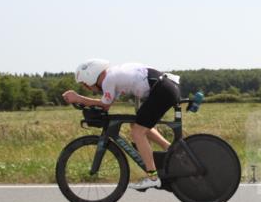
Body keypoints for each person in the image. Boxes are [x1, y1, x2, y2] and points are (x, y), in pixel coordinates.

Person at [61, 59, 180, 191]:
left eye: (84, 84)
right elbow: (106, 105)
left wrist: (78, 98)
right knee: (137, 125)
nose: (86, 88)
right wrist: (83, 100)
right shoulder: (113, 76)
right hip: (166, 87)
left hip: (162, 90)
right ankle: (170, 149)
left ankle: (153, 178)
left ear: (90, 78)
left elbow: (104, 105)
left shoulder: (108, 80)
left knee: (137, 132)